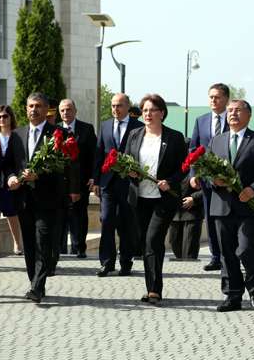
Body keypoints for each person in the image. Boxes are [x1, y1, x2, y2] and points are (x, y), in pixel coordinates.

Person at [6, 93, 80, 302]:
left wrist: (41, 174)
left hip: (48, 198)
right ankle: (35, 283)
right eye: (30, 106)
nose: (33, 110)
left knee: (43, 241)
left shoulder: (59, 134)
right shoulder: (17, 134)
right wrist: (11, 177)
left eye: (38, 106)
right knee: (29, 243)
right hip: (23, 198)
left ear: (47, 109)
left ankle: (38, 286)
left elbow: (67, 166)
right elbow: (9, 164)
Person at [207, 99, 254, 312]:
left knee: (245, 249)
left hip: (249, 206)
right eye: (229, 111)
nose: (232, 114)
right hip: (222, 206)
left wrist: (253, 188)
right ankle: (232, 296)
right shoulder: (216, 141)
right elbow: (207, 170)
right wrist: (213, 180)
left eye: (237, 110)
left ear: (248, 115)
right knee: (227, 253)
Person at [125, 94, 187, 305]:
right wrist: (130, 173)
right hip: (139, 198)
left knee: (153, 239)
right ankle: (151, 285)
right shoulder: (134, 135)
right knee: (147, 243)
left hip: (163, 199)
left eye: (152, 110)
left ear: (162, 113)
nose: (148, 114)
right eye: (144, 111)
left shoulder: (175, 137)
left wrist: (170, 181)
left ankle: (154, 290)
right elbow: (126, 162)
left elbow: (184, 167)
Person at [92, 93, 143, 277]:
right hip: (108, 183)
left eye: (119, 105)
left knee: (126, 224)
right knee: (106, 221)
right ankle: (106, 262)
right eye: (113, 106)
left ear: (128, 106)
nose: (115, 109)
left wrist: (136, 172)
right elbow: (99, 154)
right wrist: (96, 180)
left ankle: (126, 261)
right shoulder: (105, 126)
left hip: (128, 183)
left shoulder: (138, 127)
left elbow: (140, 154)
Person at [189, 83, 230, 271]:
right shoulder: (201, 121)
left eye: (217, 97)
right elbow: (194, 149)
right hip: (207, 180)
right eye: (211, 97)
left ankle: (230, 255)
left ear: (226, 99)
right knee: (211, 217)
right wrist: (194, 174)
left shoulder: (234, 118)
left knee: (228, 218)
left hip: (229, 180)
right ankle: (215, 256)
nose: (213, 100)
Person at [58, 98, 97, 258]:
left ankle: (79, 248)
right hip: (59, 183)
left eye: (68, 109)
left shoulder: (86, 129)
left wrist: (94, 177)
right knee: (60, 216)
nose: (66, 113)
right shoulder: (54, 130)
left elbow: (94, 155)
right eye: (62, 110)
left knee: (79, 216)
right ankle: (59, 250)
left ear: (75, 111)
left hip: (81, 182)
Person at [0, 105, 23, 258]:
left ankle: (17, 243)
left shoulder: (16, 136)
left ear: (11, 118)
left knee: (11, 213)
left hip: (10, 180)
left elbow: (20, 160)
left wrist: (16, 178)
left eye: (5, 116)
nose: (2, 119)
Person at [168, 159, 204, 260]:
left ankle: (190, 267)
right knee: (173, 241)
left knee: (189, 250)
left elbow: (208, 187)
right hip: (175, 213)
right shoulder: (172, 165)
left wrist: (194, 198)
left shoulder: (198, 164)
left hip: (192, 213)